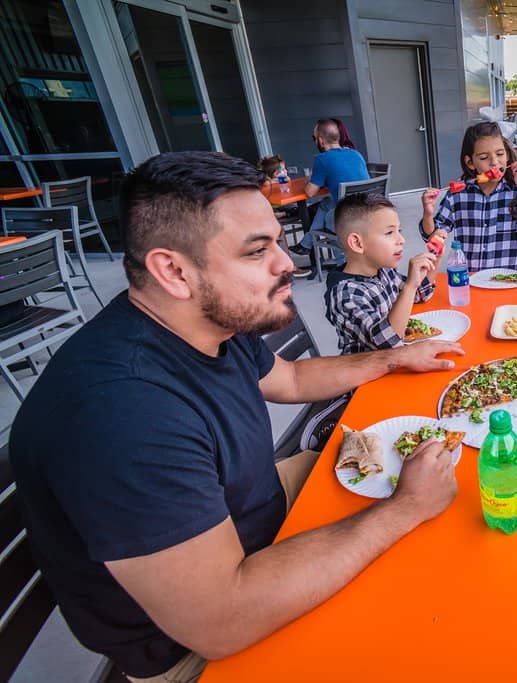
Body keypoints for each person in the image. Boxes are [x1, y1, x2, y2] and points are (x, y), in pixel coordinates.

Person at [9, 151, 464, 681]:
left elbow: (291, 379)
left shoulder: (203, 321)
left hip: (254, 511)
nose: (288, 263)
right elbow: (222, 621)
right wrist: (404, 509)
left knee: (457, 479)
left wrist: (391, 357)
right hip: (201, 643)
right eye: (257, 251)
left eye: (277, 240)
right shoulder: (121, 413)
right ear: (173, 270)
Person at [325, 192, 438, 356]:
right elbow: (387, 343)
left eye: (399, 230)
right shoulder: (346, 294)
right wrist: (409, 286)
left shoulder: (383, 271)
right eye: (389, 233)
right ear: (357, 243)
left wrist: (436, 252)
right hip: (369, 377)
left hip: (399, 364)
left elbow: (420, 294)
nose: (401, 239)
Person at [419, 121, 517, 271]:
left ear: (508, 156)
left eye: (500, 154)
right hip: (472, 280)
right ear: (470, 163)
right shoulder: (457, 194)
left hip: (511, 279)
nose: (494, 162)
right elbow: (433, 235)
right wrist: (428, 214)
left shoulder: (516, 191)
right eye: (484, 158)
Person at [289, 118, 370, 258]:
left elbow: (309, 192)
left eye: (313, 138)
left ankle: (342, 263)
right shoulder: (356, 154)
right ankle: (306, 243)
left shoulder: (323, 159)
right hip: (368, 207)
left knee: (328, 214)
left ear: (320, 140)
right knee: (327, 203)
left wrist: (310, 178)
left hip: (347, 214)